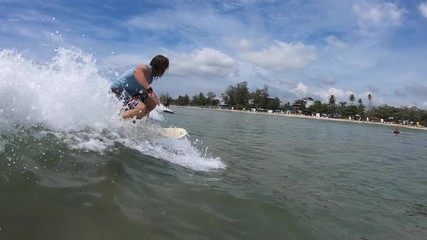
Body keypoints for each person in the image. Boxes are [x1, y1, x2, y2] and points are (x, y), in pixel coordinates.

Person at [111, 55, 169, 119]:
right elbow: (137, 71)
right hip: (118, 89)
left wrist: (151, 97)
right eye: (164, 69)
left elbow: (143, 89)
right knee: (141, 108)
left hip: (130, 93)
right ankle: (117, 120)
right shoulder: (147, 68)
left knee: (152, 104)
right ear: (159, 67)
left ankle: (137, 121)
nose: (164, 72)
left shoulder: (150, 78)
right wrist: (150, 90)